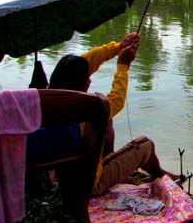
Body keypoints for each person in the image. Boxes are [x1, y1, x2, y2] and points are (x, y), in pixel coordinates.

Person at [47, 33, 179, 196]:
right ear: (81, 84)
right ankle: (161, 175)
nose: (90, 80)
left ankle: (111, 166)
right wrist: (123, 66)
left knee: (106, 123)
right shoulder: (86, 111)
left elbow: (86, 60)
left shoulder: (49, 96)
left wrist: (118, 47)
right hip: (87, 184)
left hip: (62, 175)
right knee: (145, 145)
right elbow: (116, 100)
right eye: (86, 79)